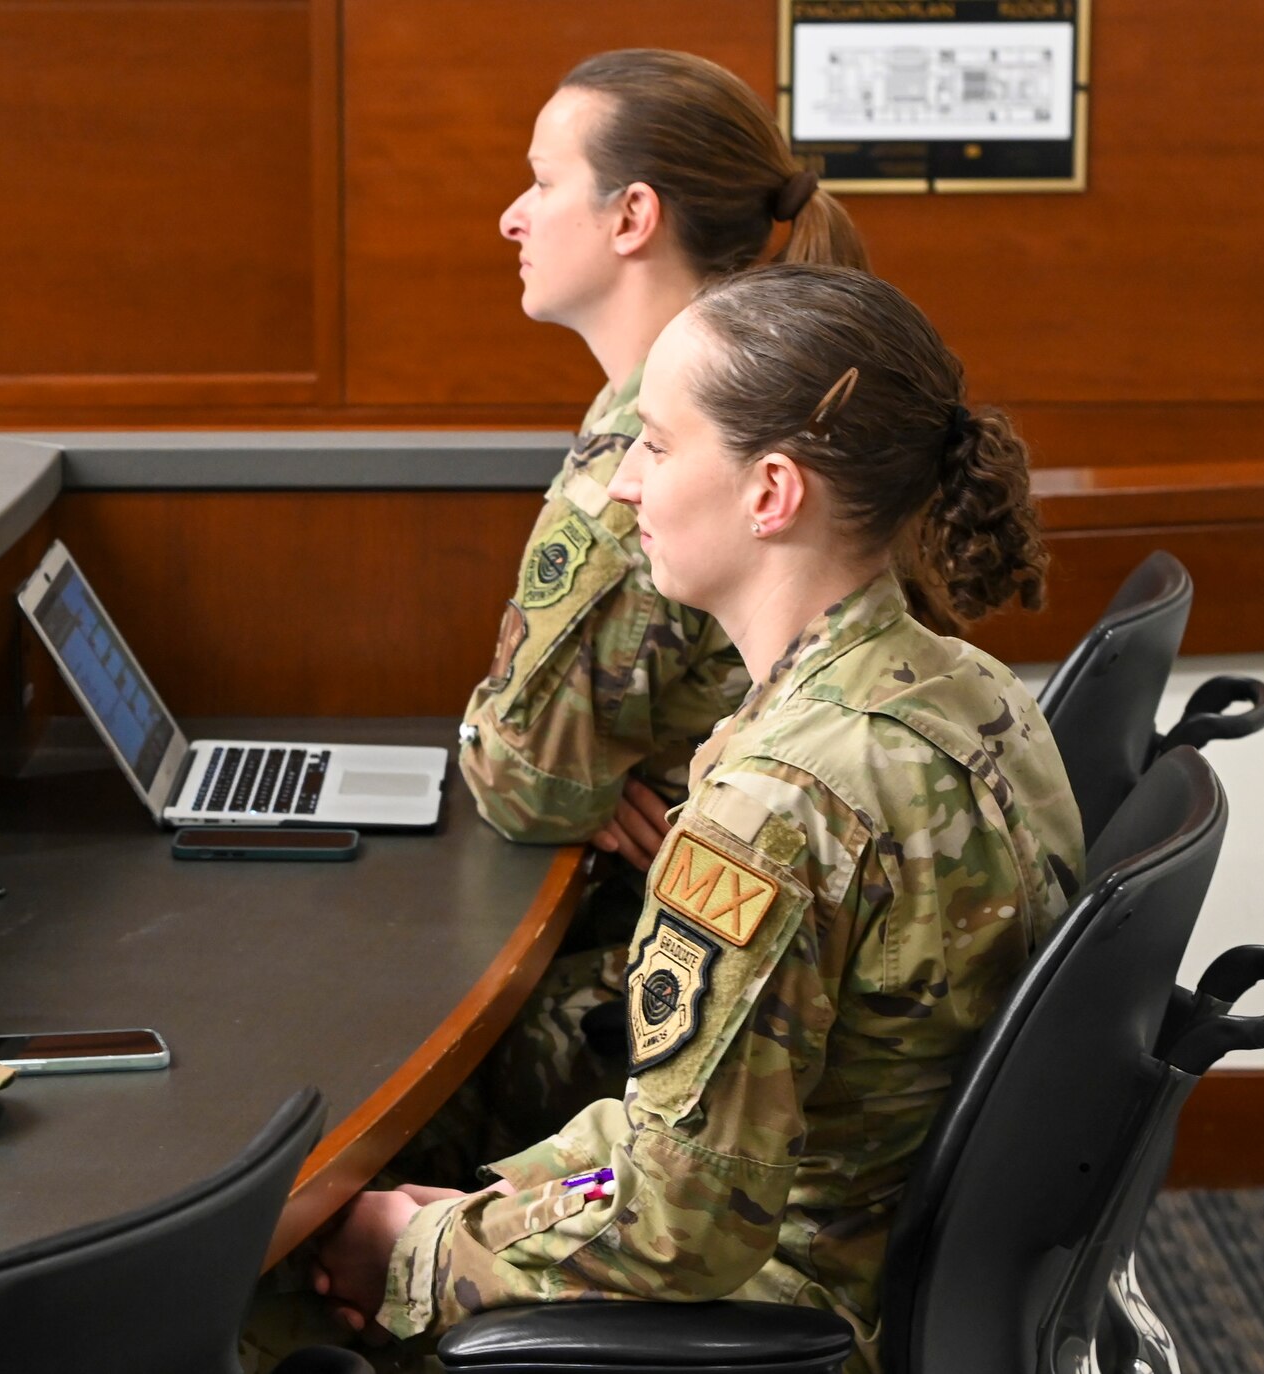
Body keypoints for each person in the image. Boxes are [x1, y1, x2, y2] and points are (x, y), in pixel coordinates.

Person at [314, 263, 1085, 1374]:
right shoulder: (965, 687)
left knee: (272, 1319)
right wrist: (496, 1199)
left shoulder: (774, 806)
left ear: (769, 492)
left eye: (658, 446)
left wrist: (419, 1256)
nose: (623, 484)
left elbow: (685, 1221)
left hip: (788, 1310)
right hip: (894, 1266)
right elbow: (678, 1146)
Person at [455, 47, 874, 1164]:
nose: (511, 216)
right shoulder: (767, 378)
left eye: (542, 182)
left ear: (631, 214)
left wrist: (567, 773)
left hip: (706, 968)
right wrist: (591, 777)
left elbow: (525, 778)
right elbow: (558, 774)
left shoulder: (654, 452)